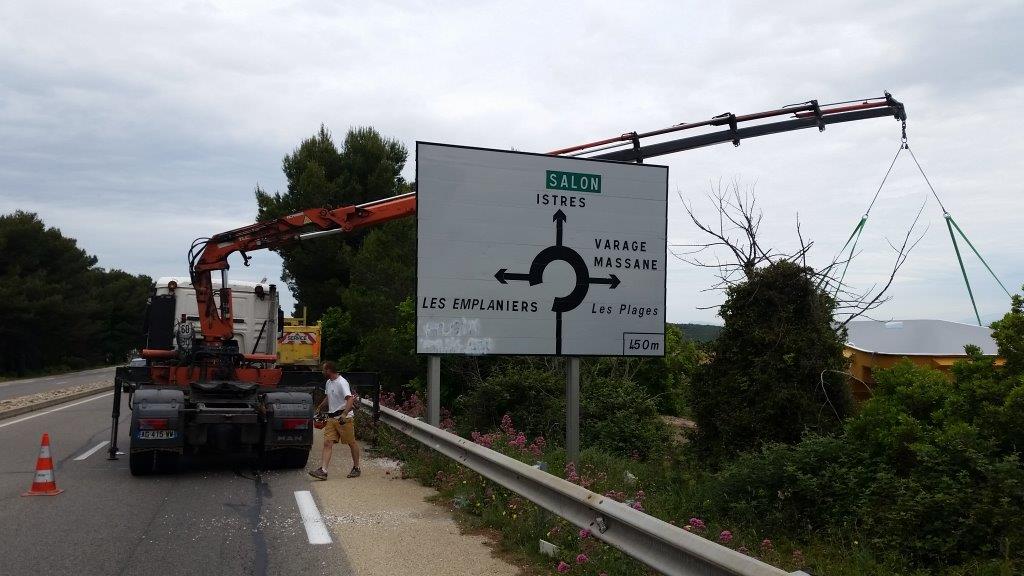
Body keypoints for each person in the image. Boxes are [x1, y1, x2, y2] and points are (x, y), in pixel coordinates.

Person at [309, 361, 361, 479]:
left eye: (324, 370)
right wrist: (320, 407)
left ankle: (356, 467)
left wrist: (344, 413)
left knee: (351, 443)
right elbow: (328, 397)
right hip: (332, 418)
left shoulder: (342, 383)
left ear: (329, 370)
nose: (322, 372)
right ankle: (323, 470)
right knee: (327, 443)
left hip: (344, 418)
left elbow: (350, 400)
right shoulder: (328, 382)